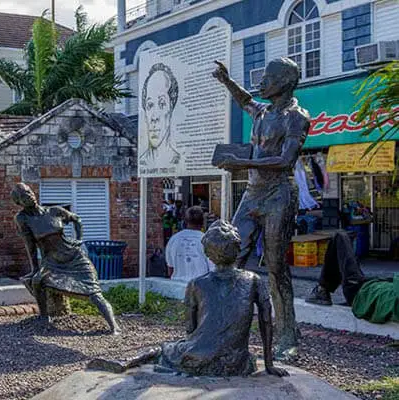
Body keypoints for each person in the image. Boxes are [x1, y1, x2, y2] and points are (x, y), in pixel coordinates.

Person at [88, 220, 287, 378]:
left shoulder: (197, 284)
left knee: (165, 348)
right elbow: (267, 321)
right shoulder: (253, 280)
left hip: (199, 356)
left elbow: (190, 329)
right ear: (237, 250)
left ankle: (129, 360)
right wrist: (269, 364)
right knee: (185, 346)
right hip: (237, 363)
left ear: (208, 254)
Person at [213, 57, 309, 358]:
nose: (261, 81)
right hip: (253, 194)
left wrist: (241, 163)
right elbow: (244, 99)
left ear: (284, 82)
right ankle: (219, 328)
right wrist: (227, 80)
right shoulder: (262, 111)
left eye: (267, 77)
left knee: (276, 266)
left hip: (278, 195)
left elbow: (284, 161)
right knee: (230, 255)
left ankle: (287, 336)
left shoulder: (296, 117)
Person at [12, 182, 120, 334]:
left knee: (94, 293)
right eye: (24, 196)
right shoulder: (23, 219)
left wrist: (79, 239)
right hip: (51, 261)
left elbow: (77, 220)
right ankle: (45, 317)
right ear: (19, 202)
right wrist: (35, 269)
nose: (29, 196)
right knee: (37, 281)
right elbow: (29, 246)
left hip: (74, 257)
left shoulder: (54, 211)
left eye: (29, 192)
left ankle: (114, 327)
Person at [306, 231, 398, 323]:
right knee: (349, 260)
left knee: (340, 237)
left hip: (359, 291)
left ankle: (322, 290)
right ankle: (323, 290)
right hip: (372, 286)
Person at [139, 63, 182, 167]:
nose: (154, 118)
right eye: (150, 105)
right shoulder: (141, 161)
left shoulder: (178, 159)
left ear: (171, 107)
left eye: (162, 104)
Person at [165, 206, 214, 282]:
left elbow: (170, 269)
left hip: (176, 285)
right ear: (203, 221)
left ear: (185, 221)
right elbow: (213, 270)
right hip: (200, 287)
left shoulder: (174, 239)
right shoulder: (207, 240)